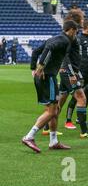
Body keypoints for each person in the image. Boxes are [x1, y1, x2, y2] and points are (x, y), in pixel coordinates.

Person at [22, 20, 79, 153]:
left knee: (56, 108)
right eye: (76, 32)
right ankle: (29, 136)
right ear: (71, 30)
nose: (76, 35)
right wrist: (40, 67)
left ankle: (53, 142)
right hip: (48, 78)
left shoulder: (55, 38)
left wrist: (33, 69)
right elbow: (49, 49)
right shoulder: (64, 40)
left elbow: (36, 51)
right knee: (52, 111)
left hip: (47, 77)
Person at [56, 10, 88, 139]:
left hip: (66, 71)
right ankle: (84, 131)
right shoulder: (70, 35)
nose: (84, 20)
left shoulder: (71, 34)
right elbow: (66, 55)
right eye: (82, 18)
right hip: (68, 72)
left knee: (61, 100)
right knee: (82, 98)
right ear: (78, 20)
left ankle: (48, 127)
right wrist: (71, 72)